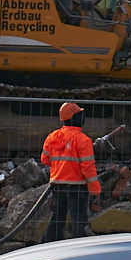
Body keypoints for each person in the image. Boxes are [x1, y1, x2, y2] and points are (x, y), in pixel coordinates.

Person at [41, 101, 100, 242]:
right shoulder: (83, 140)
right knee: (79, 219)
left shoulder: (52, 137)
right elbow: (88, 168)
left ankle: (46, 245)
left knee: (57, 218)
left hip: (57, 184)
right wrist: (95, 188)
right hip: (77, 186)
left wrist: (60, 168)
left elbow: (45, 159)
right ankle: (79, 248)